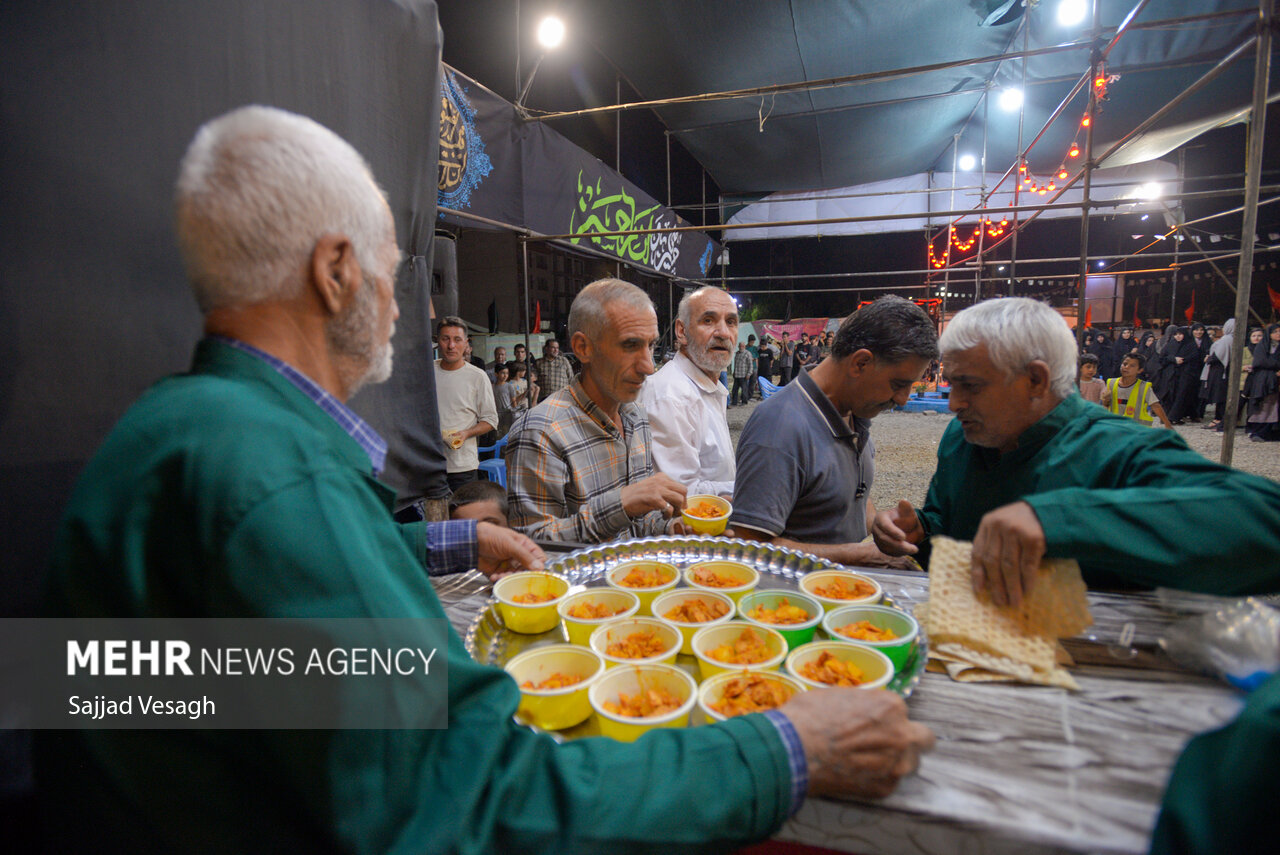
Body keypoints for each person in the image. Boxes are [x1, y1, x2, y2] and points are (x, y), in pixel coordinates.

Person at [38, 105, 934, 855]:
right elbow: (460, 792)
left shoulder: (173, 428)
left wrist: (447, 538)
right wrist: (781, 750)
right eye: (397, 272)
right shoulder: (276, 477)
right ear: (336, 270)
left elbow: (186, 672)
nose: (412, 309)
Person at [870, 297, 1280, 602]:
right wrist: (921, 531)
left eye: (970, 386)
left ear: (1035, 380)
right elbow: (950, 529)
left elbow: (1265, 524)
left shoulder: (1118, 448)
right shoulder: (964, 438)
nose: (954, 404)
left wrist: (1056, 520)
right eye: (952, 384)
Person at [731, 297, 938, 568]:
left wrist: (878, 523)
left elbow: (847, 497)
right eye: (899, 384)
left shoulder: (852, 413)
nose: (903, 399)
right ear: (860, 363)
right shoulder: (779, 427)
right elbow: (748, 547)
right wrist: (860, 555)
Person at [507, 279, 692, 543]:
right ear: (583, 348)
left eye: (651, 345)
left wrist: (673, 527)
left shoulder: (636, 416)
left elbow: (639, 522)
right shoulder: (541, 432)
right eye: (630, 345)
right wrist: (621, 504)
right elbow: (531, 545)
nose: (649, 367)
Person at [640, 287, 738, 497]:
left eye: (731, 322)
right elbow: (680, 494)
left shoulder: (708, 388)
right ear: (681, 331)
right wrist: (752, 485)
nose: (723, 333)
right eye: (708, 321)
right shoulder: (671, 396)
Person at [434, 315, 499, 492]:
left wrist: (466, 433)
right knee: (431, 511)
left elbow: (491, 420)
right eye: (445, 339)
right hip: (429, 465)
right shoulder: (427, 372)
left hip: (462, 467)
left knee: (463, 509)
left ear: (466, 343)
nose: (451, 345)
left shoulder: (477, 377)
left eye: (457, 340)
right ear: (437, 341)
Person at [1103, 354, 1174, 428]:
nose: (1126, 367)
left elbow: (1155, 406)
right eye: (1125, 364)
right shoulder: (1111, 383)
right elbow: (1106, 404)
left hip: (1137, 428)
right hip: (1117, 427)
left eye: (1132, 366)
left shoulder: (1144, 387)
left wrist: (1167, 424)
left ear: (1140, 370)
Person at [1244, 322, 1280, 442]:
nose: (1278, 334)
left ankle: (1271, 432)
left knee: (1274, 406)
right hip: (1263, 379)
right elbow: (1260, 362)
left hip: (1276, 380)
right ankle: (1257, 432)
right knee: (1263, 405)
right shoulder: (1263, 346)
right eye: (1275, 332)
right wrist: (1276, 366)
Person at [535, 337, 573, 401]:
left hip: (562, 397)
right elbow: (534, 381)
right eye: (553, 348)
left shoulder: (563, 361)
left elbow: (571, 378)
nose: (556, 350)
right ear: (546, 348)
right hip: (545, 398)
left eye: (557, 348)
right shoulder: (539, 363)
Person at [731, 341, 754, 406]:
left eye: (742, 346)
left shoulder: (748, 353)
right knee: (734, 390)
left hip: (744, 375)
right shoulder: (737, 353)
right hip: (737, 375)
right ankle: (734, 402)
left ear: (744, 347)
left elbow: (750, 365)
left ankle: (744, 402)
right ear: (738, 347)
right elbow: (735, 364)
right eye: (740, 346)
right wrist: (734, 372)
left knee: (744, 390)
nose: (741, 347)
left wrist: (749, 373)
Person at [745, 333, 760, 400]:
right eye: (751, 342)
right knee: (746, 382)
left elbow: (756, 357)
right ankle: (745, 396)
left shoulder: (754, 348)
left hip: (754, 367)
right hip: (747, 368)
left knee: (753, 382)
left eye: (753, 342)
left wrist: (757, 366)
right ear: (749, 341)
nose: (752, 343)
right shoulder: (745, 348)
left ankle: (750, 396)